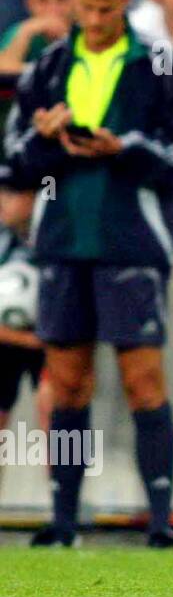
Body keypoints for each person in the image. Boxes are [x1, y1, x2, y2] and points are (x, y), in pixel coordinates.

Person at [4, 0, 173, 548]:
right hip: (62, 238)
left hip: (132, 240)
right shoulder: (47, 66)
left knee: (143, 376)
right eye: (85, 8)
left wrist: (128, 148)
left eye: (105, 10)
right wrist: (46, 143)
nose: (93, 21)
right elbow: (13, 155)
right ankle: (64, 521)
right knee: (65, 381)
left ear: (127, 4)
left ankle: (161, 522)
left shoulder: (161, 66)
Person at [0, 167, 45, 442]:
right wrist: (26, 340)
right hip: (9, 339)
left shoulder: (55, 238)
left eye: (11, 192)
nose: (2, 200)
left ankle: (63, 484)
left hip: (50, 339)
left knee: (56, 413)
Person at [0, 0, 73, 73]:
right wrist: (26, 31)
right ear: (29, 3)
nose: (53, 9)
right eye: (43, 0)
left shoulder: (89, 30)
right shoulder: (20, 32)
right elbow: (3, 71)